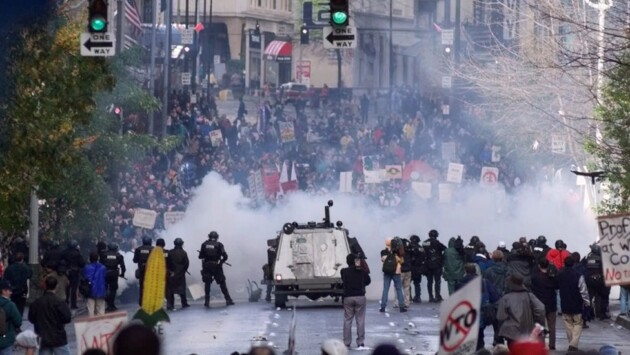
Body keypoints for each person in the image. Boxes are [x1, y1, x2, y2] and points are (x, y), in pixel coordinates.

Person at [496, 273, 546, 350]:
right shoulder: (529, 296)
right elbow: (541, 308)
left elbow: (500, 316)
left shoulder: (506, 298)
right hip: (527, 330)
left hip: (511, 332)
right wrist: (537, 320)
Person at [28, 276, 72, 355]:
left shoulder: (37, 303)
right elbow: (67, 318)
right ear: (56, 286)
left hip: (42, 337)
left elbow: (31, 318)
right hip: (58, 337)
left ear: (45, 286)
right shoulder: (59, 302)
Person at [558, 256, 590, 352]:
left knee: (568, 325)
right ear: (574, 264)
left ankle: (571, 343)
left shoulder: (560, 275)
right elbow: (583, 291)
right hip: (576, 304)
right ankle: (573, 344)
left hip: (565, 303)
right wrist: (587, 302)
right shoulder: (579, 275)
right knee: (578, 324)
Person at [340, 253, 371, 349]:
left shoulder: (343, 271)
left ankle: (346, 342)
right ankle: (360, 342)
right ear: (356, 261)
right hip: (360, 297)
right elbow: (368, 281)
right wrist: (361, 263)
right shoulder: (361, 271)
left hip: (348, 297)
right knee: (360, 320)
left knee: (347, 320)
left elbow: (343, 279)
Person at [198, 231, 234, 307]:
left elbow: (200, 256)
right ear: (217, 237)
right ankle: (228, 300)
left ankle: (207, 301)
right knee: (222, 283)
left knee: (207, 284)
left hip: (207, 266)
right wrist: (221, 261)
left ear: (209, 236)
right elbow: (225, 256)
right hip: (217, 266)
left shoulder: (204, 244)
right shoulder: (219, 245)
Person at [531, 258, 559, 350]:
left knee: (540, 325)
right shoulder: (552, 278)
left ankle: (541, 343)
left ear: (539, 266)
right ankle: (552, 344)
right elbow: (556, 286)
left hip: (539, 303)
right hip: (551, 302)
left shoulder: (535, 277)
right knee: (552, 325)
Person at [379, 238, 405, 313]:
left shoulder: (383, 251)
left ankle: (383, 307)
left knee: (385, 289)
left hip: (387, 272)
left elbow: (383, 260)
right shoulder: (398, 252)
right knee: (399, 289)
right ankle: (401, 306)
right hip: (396, 272)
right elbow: (402, 261)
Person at [3, 252, 32, 317]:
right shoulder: (26, 268)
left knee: (12, 306)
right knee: (20, 308)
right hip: (22, 291)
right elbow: (30, 275)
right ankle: (18, 321)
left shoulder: (9, 268)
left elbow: (5, 278)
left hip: (12, 291)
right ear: (22, 259)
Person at [61, 239, 86, 309]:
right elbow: (82, 263)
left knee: (66, 287)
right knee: (74, 289)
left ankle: (66, 301)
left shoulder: (64, 252)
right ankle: (73, 304)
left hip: (66, 272)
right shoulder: (77, 253)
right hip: (75, 272)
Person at [166, 238, 190, 310]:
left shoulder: (170, 252)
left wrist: (169, 271)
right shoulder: (184, 253)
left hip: (172, 273)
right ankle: (184, 303)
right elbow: (186, 263)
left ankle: (170, 304)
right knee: (182, 289)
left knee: (171, 290)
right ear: (181, 244)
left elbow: (167, 262)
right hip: (181, 273)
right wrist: (184, 270)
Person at [0, 280, 23, 355]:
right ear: (3, 291)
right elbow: (18, 322)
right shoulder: (10, 305)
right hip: (5, 340)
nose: (11, 293)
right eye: (9, 290)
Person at [423, 229, 446, 302]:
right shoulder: (437, 242)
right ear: (436, 235)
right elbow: (444, 248)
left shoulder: (424, 243)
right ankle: (437, 296)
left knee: (429, 281)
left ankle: (430, 296)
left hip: (428, 264)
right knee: (437, 281)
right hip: (437, 264)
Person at [101, 243, 126, 312]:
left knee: (105, 289)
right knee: (113, 289)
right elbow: (123, 266)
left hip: (105, 273)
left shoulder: (104, 255)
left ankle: (108, 304)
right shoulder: (119, 255)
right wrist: (122, 274)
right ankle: (111, 305)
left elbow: (100, 264)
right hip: (114, 273)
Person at [83, 252, 106, 317]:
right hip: (101, 290)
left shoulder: (86, 267)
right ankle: (101, 324)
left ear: (90, 259)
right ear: (98, 258)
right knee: (101, 309)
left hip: (90, 291)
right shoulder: (103, 267)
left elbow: (85, 277)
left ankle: (92, 324)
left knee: (91, 309)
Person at [133, 236, 153, 306]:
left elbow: (135, 260)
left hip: (142, 270)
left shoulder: (138, 249)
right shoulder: (153, 249)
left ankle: (142, 302)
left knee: (142, 286)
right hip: (151, 271)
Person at [407, 235, 426, 303]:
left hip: (410, 268)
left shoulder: (409, 248)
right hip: (418, 268)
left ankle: (409, 297)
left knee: (408, 283)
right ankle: (418, 297)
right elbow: (424, 257)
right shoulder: (421, 248)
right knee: (417, 284)